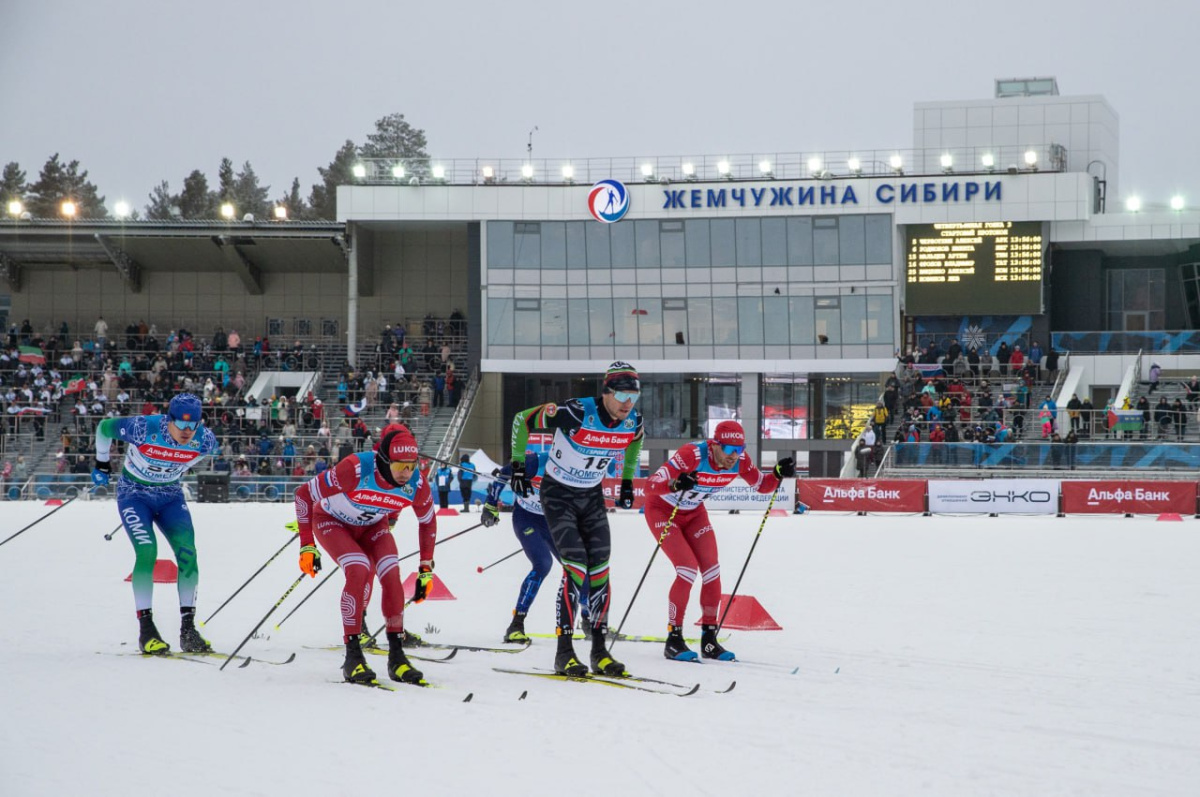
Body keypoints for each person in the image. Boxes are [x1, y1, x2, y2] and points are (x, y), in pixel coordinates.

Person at [508, 361, 644, 677]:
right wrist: (517, 466)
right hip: (558, 496)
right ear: (606, 392)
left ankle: (599, 651)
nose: (628, 403)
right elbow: (522, 420)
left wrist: (626, 480)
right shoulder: (576, 412)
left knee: (600, 568)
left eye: (634, 396)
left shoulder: (632, 420)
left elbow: (636, 438)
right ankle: (564, 652)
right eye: (623, 395)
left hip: (590, 497)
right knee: (576, 566)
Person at [292, 423, 436, 685]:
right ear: (384, 461)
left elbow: (427, 521)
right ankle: (353, 655)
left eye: (412, 465)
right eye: (399, 466)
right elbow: (303, 495)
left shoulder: (416, 482)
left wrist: (426, 568)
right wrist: (307, 545)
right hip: (332, 522)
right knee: (359, 568)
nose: (406, 473)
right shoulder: (355, 468)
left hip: (371, 527)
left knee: (391, 573)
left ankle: (397, 656)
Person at [642, 421, 793, 662]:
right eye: (729, 450)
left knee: (712, 570)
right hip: (663, 510)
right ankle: (674, 639)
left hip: (693, 513)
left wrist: (776, 473)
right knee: (687, 569)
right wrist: (675, 484)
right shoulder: (691, 454)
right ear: (714, 445)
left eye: (739, 449)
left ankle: (709, 639)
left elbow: (763, 486)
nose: (734, 456)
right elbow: (649, 486)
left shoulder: (740, 461)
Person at [92, 393, 218, 655]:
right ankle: (146, 629)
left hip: (170, 497)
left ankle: (188, 629)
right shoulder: (143, 427)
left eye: (192, 425)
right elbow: (104, 428)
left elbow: (191, 461)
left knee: (188, 554)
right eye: (181, 425)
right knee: (147, 552)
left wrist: (176, 467)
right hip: (134, 495)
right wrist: (102, 463)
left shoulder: (205, 440)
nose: (186, 431)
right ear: (168, 419)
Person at [481, 447, 592, 643]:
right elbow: (503, 474)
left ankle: (588, 619)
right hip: (527, 519)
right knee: (543, 563)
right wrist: (491, 505)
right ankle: (516, 624)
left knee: (579, 565)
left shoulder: (578, 468)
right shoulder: (536, 462)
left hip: (554, 523)